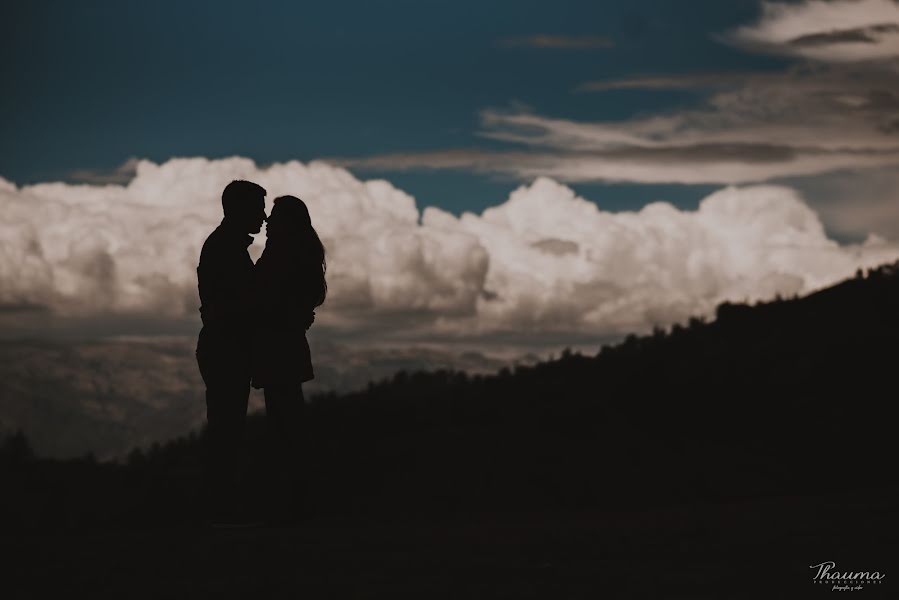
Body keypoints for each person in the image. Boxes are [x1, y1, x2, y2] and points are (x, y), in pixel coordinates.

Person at [251, 195, 327, 523]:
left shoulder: (282, 256)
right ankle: (297, 500)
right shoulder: (299, 254)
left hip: (279, 348)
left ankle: (293, 502)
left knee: (284, 423)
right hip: (287, 346)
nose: (267, 221)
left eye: (275, 216)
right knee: (288, 420)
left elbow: (264, 296)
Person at [196, 179, 267, 524]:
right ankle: (219, 509)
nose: (264, 217)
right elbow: (235, 305)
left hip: (223, 347)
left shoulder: (225, 246)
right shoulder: (226, 249)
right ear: (240, 210)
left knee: (226, 429)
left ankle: (219, 507)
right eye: (258, 209)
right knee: (227, 430)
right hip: (226, 349)